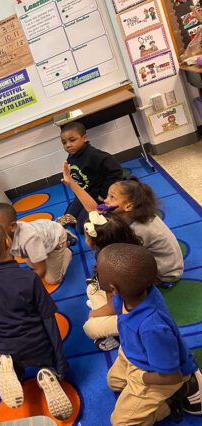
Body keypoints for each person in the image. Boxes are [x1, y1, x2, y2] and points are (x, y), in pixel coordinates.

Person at [0, 220, 72, 420]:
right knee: (47, 362)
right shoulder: (28, 278)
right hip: (37, 346)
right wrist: (61, 364)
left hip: (4, 348)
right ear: (8, 242)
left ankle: (11, 373)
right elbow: (49, 322)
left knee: (11, 365)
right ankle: (48, 373)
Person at [96, 244, 202, 424]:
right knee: (114, 382)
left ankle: (172, 402)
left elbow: (171, 375)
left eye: (98, 272)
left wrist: (139, 377)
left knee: (120, 422)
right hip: (132, 353)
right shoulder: (129, 294)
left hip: (157, 373)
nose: (96, 275)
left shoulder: (152, 327)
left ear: (114, 288)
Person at [62, 164, 184, 284]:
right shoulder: (128, 214)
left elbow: (122, 256)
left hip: (166, 273)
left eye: (112, 197)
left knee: (112, 261)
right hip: (159, 262)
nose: (106, 200)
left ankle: (155, 282)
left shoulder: (138, 230)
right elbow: (94, 211)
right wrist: (72, 183)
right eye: (108, 196)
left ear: (128, 205)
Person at [81, 212, 143, 351]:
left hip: (133, 314)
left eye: (86, 236)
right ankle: (105, 319)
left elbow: (112, 307)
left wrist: (94, 314)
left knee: (89, 327)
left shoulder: (108, 266)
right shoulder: (130, 248)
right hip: (126, 302)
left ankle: (117, 336)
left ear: (95, 241)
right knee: (92, 288)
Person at [56, 121, 122, 234]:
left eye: (72, 140)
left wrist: (104, 195)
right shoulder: (72, 155)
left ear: (84, 138)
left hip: (97, 198)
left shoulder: (93, 155)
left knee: (81, 228)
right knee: (68, 221)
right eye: (64, 142)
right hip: (83, 195)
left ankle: (108, 210)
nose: (68, 145)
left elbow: (116, 170)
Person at [0, 202, 75, 285]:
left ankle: (66, 245)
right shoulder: (2, 235)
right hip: (43, 232)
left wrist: (24, 284)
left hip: (56, 240)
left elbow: (41, 269)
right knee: (31, 264)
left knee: (52, 280)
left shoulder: (29, 239)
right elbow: (8, 257)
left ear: (12, 226)